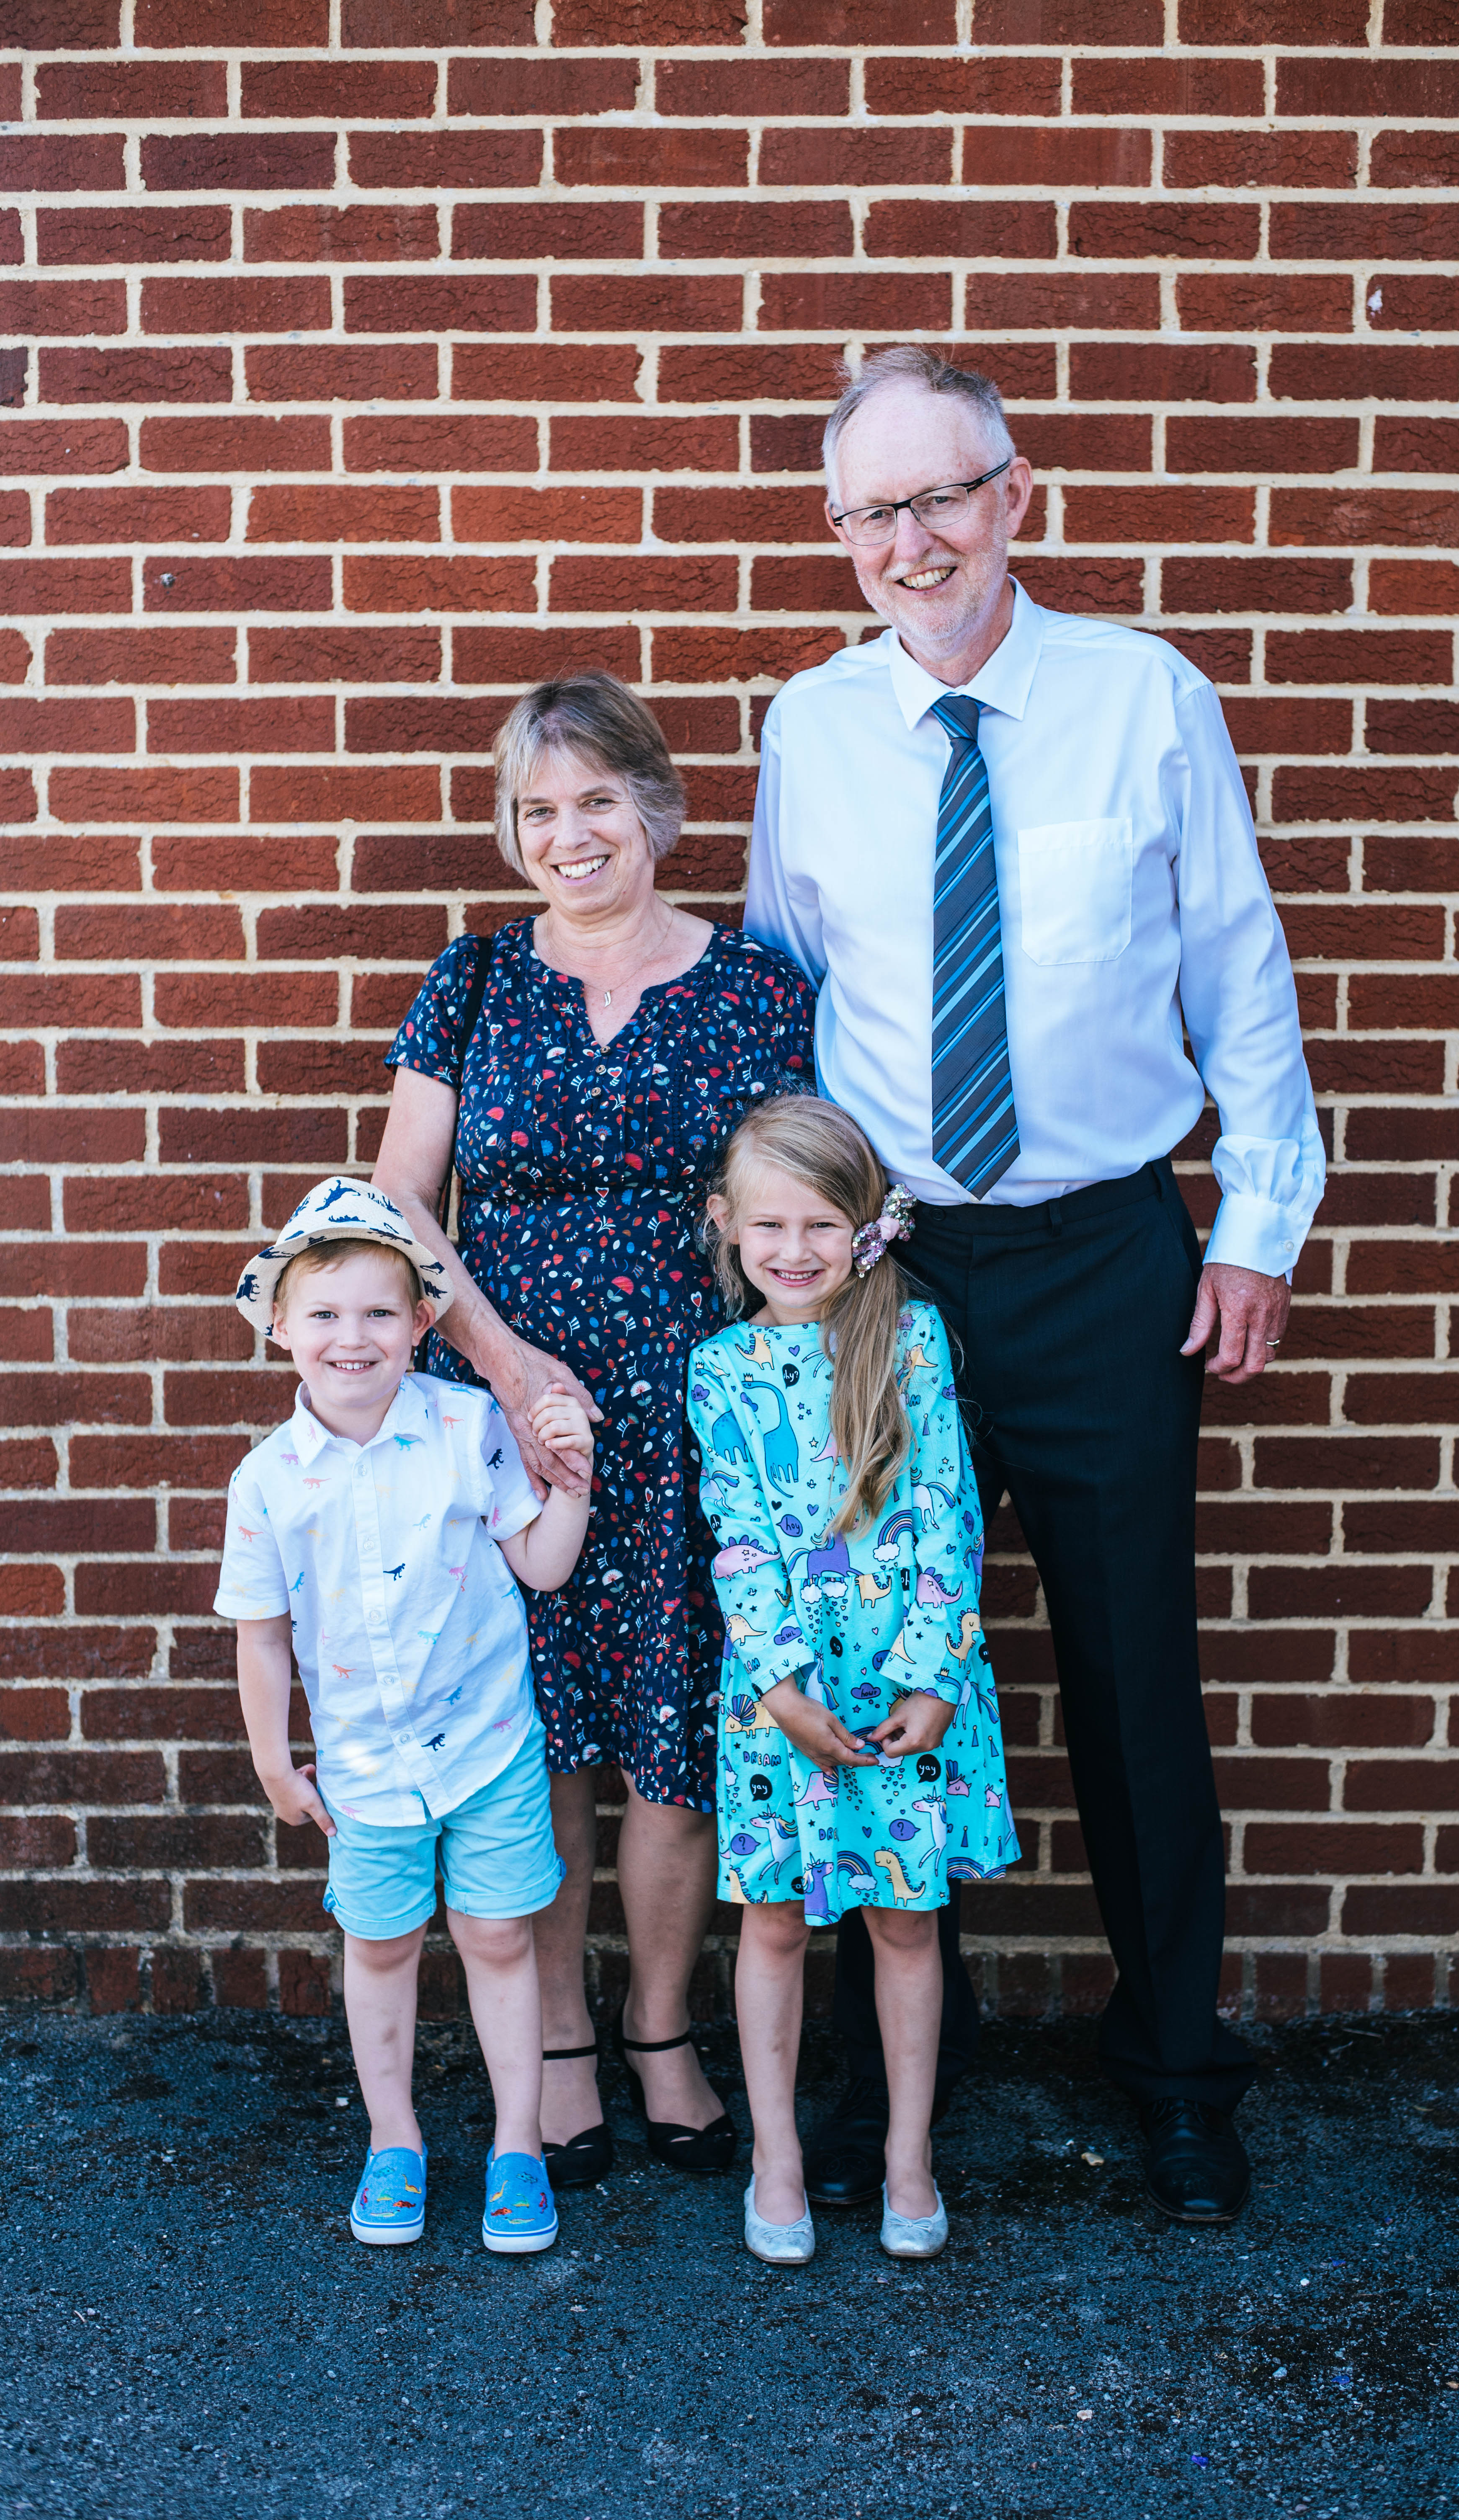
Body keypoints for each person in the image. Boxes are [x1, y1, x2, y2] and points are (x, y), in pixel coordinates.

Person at [746, 346, 1326, 2226]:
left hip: (1100, 1257)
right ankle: (892, 2073)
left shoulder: (1143, 696)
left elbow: (1236, 967)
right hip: (889, 1274)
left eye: (940, 495)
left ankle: (1176, 2072)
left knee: (1129, 1676)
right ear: (839, 532)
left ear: (1015, 496)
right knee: (864, 1656)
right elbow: (784, 991)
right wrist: (788, 1264)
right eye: (869, 511)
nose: (908, 540)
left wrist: (1254, 1222)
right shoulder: (809, 729)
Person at [373, 673, 814, 2188]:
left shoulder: (756, 989)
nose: (570, 834)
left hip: (698, 1419)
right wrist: (504, 1367)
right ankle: (556, 2036)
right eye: (538, 809)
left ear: (658, 811)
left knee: (678, 1739)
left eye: (597, 801)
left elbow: (801, 1197)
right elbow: (399, 1203)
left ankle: (660, 2029)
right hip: (519, 1418)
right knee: (540, 1740)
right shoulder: (474, 981)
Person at [215, 1177, 595, 2253]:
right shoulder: (268, 1481)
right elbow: (262, 1635)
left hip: (488, 1748)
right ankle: (394, 2138)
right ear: (281, 1326)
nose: (354, 1336)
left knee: (498, 1937)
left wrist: (573, 1482)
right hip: (365, 1768)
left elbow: (542, 1567)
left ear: (423, 1321)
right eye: (325, 1313)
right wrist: (274, 1762)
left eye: (380, 1311)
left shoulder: (467, 1427)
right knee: (381, 1947)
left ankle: (517, 2146)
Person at [688, 1097, 1018, 2264]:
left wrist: (934, 1678)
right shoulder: (718, 1369)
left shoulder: (913, 1342)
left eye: (822, 1224)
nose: (795, 1249)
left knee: (906, 1925)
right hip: (779, 1705)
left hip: (909, 1695)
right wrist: (779, 1687)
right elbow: (737, 1536)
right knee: (773, 1924)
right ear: (726, 1225)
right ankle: (777, 2157)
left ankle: (908, 2158)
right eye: (770, 1224)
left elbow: (948, 1514)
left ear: (868, 1227)